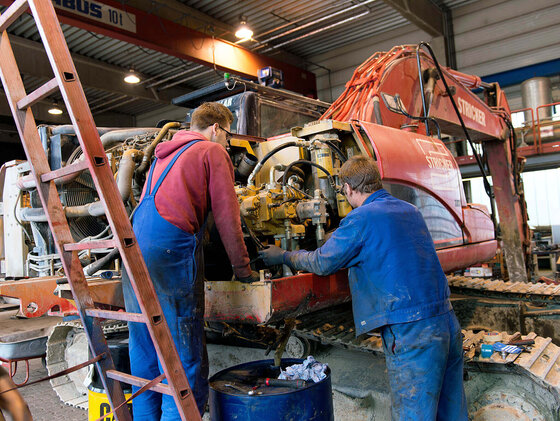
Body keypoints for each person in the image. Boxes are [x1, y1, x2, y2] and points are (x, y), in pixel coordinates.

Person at [259, 155, 467, 421]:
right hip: (446, 323)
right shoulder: (409, 210)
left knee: (414, 415)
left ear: (347, 188)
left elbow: (323, 263)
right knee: (452, 412)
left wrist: (284, 256)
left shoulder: (361, 219)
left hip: (411, 331)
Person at [122, 102, 258, 419]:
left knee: (144, 346)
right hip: (170, 250)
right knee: (185, 356)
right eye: (227, 135)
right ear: (215, 128)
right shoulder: (211, 152)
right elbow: (228, 218)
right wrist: (243, 270)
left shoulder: (164, 155)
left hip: (134, 246)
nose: (228, 143)